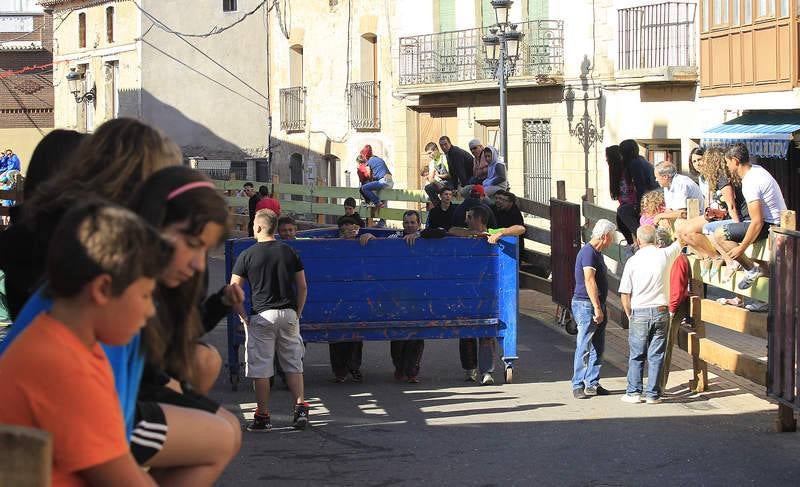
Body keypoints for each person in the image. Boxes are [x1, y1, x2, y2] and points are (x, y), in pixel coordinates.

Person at [0, 202, 173, 487]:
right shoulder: (64, 368)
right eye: (145, 296)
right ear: (103, 289)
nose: (150, 311)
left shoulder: (66, 343)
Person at [231, 209, 309, 431]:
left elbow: (234, 289)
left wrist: (243, 316)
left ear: (257, 227)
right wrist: (298, 312)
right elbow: (302, 286)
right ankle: (300, 409)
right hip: (289, 314)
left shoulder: (247, 255)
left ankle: (263, 416)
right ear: (275, 228)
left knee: (261, 368)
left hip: (262, 315)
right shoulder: (290, 252)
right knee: (293, 363)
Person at [449, 205, 525, 384]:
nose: (466, 220)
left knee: (486, 332)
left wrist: (500, 234)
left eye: (469, 217)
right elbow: (452, 230)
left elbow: (520, 228)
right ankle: (469, 369)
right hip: (468, 288)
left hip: (487, 289)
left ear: (479, 219)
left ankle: (487, 371)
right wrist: (472, 235)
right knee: (466, 330)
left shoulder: (493, 231)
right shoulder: (466, 233)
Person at [619, 225, 682, 404]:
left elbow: (625, 292)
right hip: (661, 309)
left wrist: (629, 313)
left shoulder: (632, 261)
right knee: (656, 354)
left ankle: (634, 392)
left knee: (637, 354)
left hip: (639, 310)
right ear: (655, 239)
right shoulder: (665, 255)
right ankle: (653, 394)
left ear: (638, 241)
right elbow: (681, 240)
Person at [361, 211, 425, 383]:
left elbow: (441, 232)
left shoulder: (424, 236)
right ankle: (399, 367)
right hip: (396, 293)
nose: (409, 225)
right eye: (406, 223)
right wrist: (368, 235)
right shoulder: (396, 236)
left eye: (413, 222)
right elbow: (378, 240)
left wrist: (419, 235)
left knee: (416, 333)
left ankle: (412, 372)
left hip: (418, 292)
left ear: (419, 223)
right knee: (397, 333)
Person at [714, 143, 787, 290]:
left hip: (771, 225)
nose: (727, 166)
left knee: (719, 234)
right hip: (774, 222)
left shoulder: (750, 181)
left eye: (727, 162)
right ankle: (757, 273)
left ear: (735, 161)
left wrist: (741, 249)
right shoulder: (757, 170)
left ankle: (751, 269)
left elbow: (757, 222)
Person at [676, 147, 747, 278]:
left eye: (702, 160)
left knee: (707, 230)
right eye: (695, 161)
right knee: (682, 230)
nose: (700, 164)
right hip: (715, 214)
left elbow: (731, 205)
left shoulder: (723, 177)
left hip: (726, 216)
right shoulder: (712, 177)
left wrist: (737, 225)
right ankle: (709, 256)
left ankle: (725, 259)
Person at [571, 219, 616, 399]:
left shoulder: (596, 253)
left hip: (594, 303)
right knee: (584, 344)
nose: (612, 241)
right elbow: (589, 280)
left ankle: (592, 382)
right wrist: (597, 307)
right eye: (611, 237)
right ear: (604, 236)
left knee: (598, 344)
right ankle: (578, 383)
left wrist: (602, 306)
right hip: (586, 304)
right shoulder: (589, 253)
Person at [329, 216, 364, 381]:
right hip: (337, 295)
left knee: (356, 336)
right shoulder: (333, 245)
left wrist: (369, 236)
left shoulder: (362, 243)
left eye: (352, 228)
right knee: (336, 335)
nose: (349, 231)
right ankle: (340, 371)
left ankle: (354, 367)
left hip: (356, 294)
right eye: (345, 228)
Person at [660, 227, 691, 392]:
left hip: (672, 307)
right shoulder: (674, 258)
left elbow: (677, 288)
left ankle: (659, 386)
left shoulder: (677, 259)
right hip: (668, 305)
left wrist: (671, 309)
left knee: (665, 347)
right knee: (662, 347)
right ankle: (657, 385)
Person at [618, 139, 658, 244]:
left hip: (651, 199)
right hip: (652, 196)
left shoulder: (634, 164)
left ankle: (640, 237)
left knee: (622, 211)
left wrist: (640, 207)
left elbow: (641, 186)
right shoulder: (641, 160)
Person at [652, 161, 705, 228]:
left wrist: (660, 216)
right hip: (687, 220)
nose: (656, 180)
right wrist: (664, 218)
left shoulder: (681, 183)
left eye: (657, 177)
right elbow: (669, 209)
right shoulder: (667, 185)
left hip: (696, 220)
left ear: (665, 177)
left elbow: (682, 214)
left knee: (678, 223)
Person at [607, 145, 637, 245]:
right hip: (626, 205)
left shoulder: (627, 171)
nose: (606, 160)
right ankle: (631, 243)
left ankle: (637, 241)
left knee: (622, 213)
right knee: (620, 219)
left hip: (635, 204)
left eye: (608, 158)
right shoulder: (616, 174)